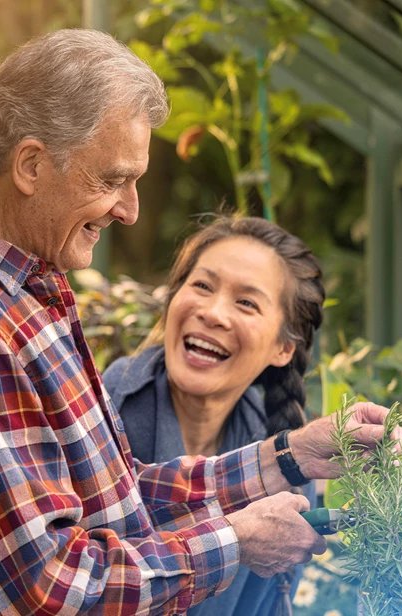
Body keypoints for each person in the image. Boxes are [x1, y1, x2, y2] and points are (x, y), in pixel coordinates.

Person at [0, 28, 397, 615]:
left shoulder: (18, 288)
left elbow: (116, 501)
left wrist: (288, 456)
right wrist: (234, 541)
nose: (131, 209)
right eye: (112, 179)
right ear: (32, 165)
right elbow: (52, 588)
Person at [103, 217, 325, 615]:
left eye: (246, 302)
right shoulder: (104, 414)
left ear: (283, 348)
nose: (213, 312)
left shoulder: (285, 454)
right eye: (202, 286)